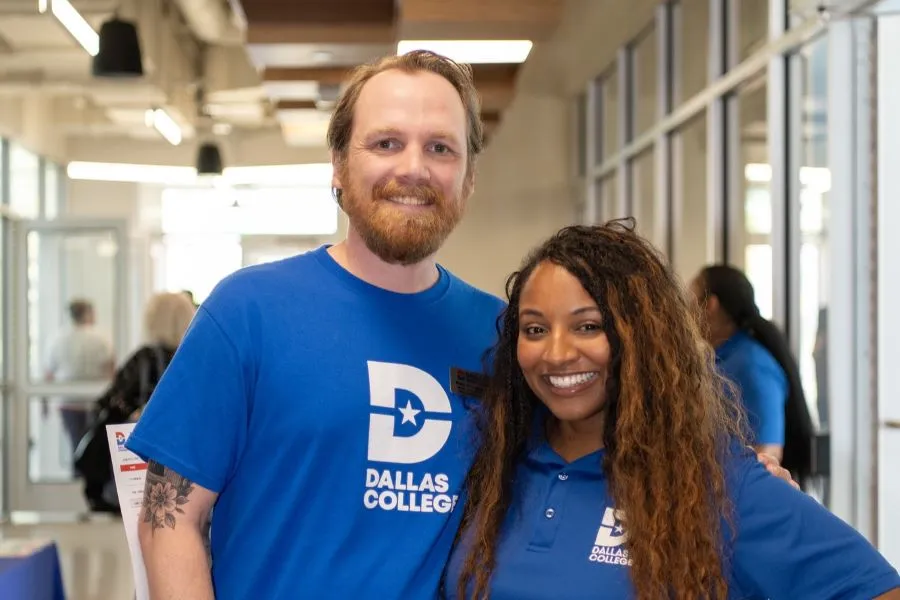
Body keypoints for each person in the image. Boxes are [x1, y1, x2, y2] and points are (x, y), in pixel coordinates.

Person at [126, 51, 797, 599]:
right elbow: (170, 521)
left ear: (469, 178)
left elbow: (615, 446)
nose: (414, 168)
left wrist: (737, 482)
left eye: (440, 148)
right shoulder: (248, 312)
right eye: (386, 142)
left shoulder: (513, 337)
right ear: (338, 166)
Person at [446, 221, 899, 600]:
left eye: (588, 326)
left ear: (641, 338)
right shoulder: (497, 463)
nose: (557, 353)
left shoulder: (716, 482)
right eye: (535, 328)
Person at [690, 265, 814, 487]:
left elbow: (769, 453)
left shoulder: (752, 364)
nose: (686, 311)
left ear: (710, 306)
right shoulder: (720, 358)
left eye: (690, 300)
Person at [75, 292, 196, 513]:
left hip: (136, 460)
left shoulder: (144, 358)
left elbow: (109, 401)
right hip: (181, 462)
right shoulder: (192, 359)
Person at [44, 299, 114, 452]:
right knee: (96, 448)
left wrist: (44, 404)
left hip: (68, 402)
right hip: (95, 400)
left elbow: (48, 373)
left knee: (76, 446)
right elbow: (111, 370)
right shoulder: (101, 339)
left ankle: (77, 473)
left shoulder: (57, 339)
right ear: (88, 314)